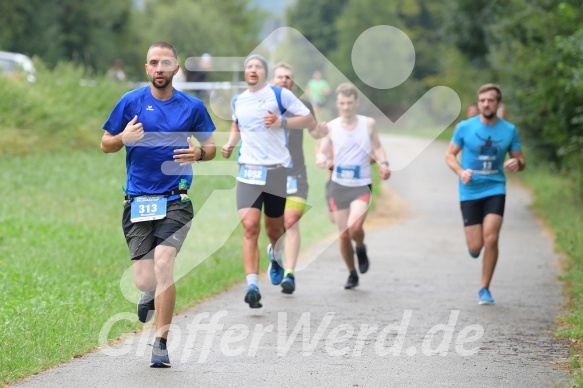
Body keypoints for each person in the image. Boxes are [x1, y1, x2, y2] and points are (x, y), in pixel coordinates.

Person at [100, 41, 216, 367]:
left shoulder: (192, 107)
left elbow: (212, 147)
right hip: (137, 200)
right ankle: (148, 293)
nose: (160, 68)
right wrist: (122, 138)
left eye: (166, 63)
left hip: (175, 197)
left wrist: (199, 154)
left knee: (165, 263)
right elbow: (105, 143)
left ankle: (161, 343)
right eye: (154, 63)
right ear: (147, 68)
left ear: (176, 68)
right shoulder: (130, 102)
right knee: (144, 279)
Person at [221, 54, 315, 308]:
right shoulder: (238, 100)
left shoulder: (280, 95)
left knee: (274, 230)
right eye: (249, 67)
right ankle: (252, 284)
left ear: (265, 73)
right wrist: (230, 144)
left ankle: (275, 256)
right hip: (248, 172)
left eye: (258, 67)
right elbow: (237, 126)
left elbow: (308, 119)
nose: (253, 70)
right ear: (245, 73)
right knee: (250, 226)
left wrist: (281, 121)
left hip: (276, 171)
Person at [445, 83, 525, 305]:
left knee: (491, 237)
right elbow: (450, 155)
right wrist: (461, 171)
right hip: (470, 190)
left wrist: (517, 162)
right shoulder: (465, 127)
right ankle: (474, 250)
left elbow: (521, 158)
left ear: (498, 104)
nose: (486, 104)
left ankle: (484, 288)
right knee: (475, 246)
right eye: (482, 101)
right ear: (478, 103)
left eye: (490, 100)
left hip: (495, 188)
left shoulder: (509, 130)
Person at [315, 83, 391, 289]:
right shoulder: (331, 126)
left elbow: (378, 147)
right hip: (338, 185)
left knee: (355, 226)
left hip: (361, 185)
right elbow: (322, 150)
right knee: (343, 233)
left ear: (356, 103)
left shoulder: (369, 124)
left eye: (349, 103)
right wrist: (321, 158)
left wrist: (384, 164)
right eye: (342, 103)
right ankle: (351, 273)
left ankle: (360, 247)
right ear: (337, 104)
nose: (346, 107)